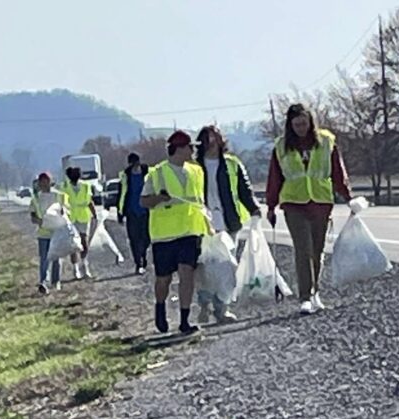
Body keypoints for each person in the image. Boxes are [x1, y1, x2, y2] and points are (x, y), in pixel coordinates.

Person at [266, 103, 353, 314]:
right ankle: (304, 296)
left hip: (321, 202)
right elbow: (274, 177)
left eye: (304, 123)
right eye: (296, 124)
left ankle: (315, 293)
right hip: (294, 203)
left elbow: (337, 172)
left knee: (317, 250)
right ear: (290, 125)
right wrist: (271, 205)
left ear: (310, 122)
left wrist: (348, 197)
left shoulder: (326, 141)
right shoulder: (281, 145)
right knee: (303, 249)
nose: (301, 128)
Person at [140, 130, 211, 335]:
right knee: (164, 279)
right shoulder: (157, 173)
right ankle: (160, 308)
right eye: (191, 147)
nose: (193, 151)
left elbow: (200, 200)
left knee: (186, 273)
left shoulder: (197, 171)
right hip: (164, 235)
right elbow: (143, 201)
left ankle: (184, 320)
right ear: (179, 149)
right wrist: (159, 198)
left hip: (190, 232)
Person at [194, 125, 261, 323]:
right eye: (207, 139)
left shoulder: (233, 164)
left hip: (228, 221)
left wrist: (254, 208)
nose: (211, 142)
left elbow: (244, 190)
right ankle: (204, 305)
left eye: (214, 138)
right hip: (202, 224)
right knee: (205, 268)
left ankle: (222, 308)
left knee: (227, 266)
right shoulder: (194, 166)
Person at [29, 172, 68, 294]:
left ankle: (56, 281)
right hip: (43, 233)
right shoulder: (36, 199)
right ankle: (43, 282)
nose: (44, 184)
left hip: (56, 232)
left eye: (46, 181)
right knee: (44, 259)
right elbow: (33, 216)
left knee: (56, 258)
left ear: (51, 182)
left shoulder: (59, 196)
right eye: (42, 182)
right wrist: (39, 221)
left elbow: (65, 211)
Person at [62, 166, 97, 279]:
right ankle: (75, 268)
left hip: (83, 216)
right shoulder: (65, 187)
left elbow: (89, 201)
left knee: (84, 243)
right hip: (70, 217)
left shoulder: (86, 186)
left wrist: (94, 213)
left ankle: (84, 265)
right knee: (73, 244)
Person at [118, 152, 150, 275]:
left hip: (146, 210)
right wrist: (120, 213)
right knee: (134, 238)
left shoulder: (147, 173)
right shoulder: (125, 176)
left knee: (146, 238)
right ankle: (139, 263)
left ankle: (143, 256)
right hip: (131, 211)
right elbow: (121, 194)